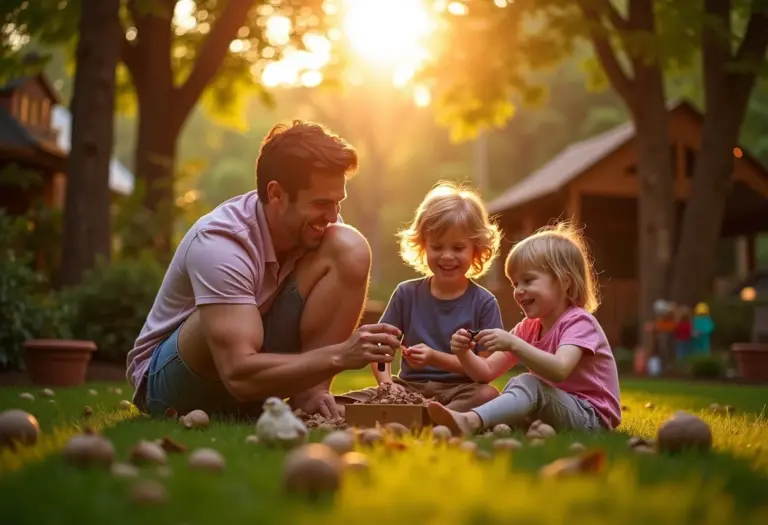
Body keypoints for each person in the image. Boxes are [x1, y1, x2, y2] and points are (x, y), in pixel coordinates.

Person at [125, 120, 402, 419]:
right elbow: (239, 375)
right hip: (175, 384)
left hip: (251, 368)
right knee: (218, 316)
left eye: (337, 203)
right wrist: (340, 355)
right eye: (322, 203)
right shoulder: (220, 241)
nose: (333, 215)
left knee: (350, 247)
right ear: (276, 194)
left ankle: (310, 397)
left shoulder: (318, 229)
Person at [427, 221, 622, 435]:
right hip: (554, 409)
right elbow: (486, 372)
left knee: (528, 383)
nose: (519, 291)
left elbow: (559, 370)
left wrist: (514, 344)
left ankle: (471, 421)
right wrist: (463, 353)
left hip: (591, 417)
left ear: (564, 282)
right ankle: (484, 424)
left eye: (528, 281)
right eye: (515, 283)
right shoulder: (528, 328)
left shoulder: (579, 322)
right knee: (518, 387)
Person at [341, 182, 503, 411]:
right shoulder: (406, 293)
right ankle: (421, 412)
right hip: (409, 387)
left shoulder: (484, 303)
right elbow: (380, 347)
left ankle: (431, 413)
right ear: (423, 246)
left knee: (488, 395)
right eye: (437, 247)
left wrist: (434, 357)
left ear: (476, 249)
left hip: (460, 391)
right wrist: (387, 385)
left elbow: (486, 370)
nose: (447, 256)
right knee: (344, 402)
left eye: (458, 248)